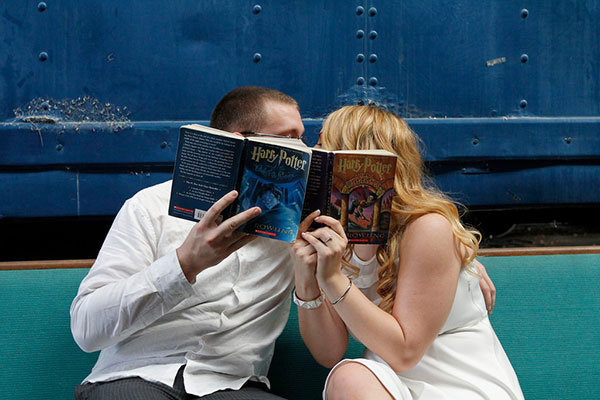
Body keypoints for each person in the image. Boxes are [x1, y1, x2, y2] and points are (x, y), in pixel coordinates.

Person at [70, 86, 303, 400]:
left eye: (303, 138)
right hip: (135, 376)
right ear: (238, 144)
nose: (302, 151)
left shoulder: (296, 227)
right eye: (288, 140)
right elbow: (86, 328)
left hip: (233, 386)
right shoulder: (149, 206)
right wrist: (184, 264)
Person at [290, 105, 524, 399]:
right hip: (388, 383)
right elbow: (328, 353)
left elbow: (405, 353)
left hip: (456, 381)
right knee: (348, 376)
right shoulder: (335, 232)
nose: (313, 151)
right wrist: (307, 278)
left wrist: (334, 277)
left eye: (325, 145)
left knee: (353, 375)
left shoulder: (427, 227)